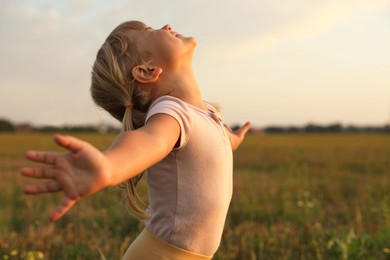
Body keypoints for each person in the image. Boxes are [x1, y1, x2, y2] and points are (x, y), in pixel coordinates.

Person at [21, 20, 251, 259]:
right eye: (149, 31)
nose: (167, 25)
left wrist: (231, 140)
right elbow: (149, 140)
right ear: (146, 70)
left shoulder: (204, 113)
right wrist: (110, 166)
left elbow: (213, 145)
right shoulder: (171, 113)